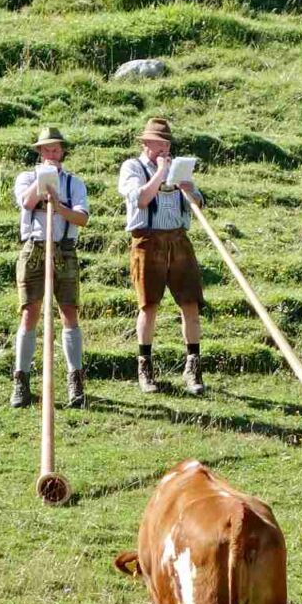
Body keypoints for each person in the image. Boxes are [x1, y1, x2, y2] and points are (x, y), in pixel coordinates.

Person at [118, 116, 206, 396]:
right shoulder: (133, 167)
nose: (163, 149)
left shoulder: (178, 167)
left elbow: (198, 203)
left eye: (166, 144)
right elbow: (141, 199)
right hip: (148, 241)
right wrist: (160, 172)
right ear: (145, 143)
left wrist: (190, 189)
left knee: (190, 303)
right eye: (158, 144)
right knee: (149, 305)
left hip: (178, 239)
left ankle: (193, 368)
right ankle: (145, 369)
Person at [12, 127, 88, 410]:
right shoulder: (26, 178)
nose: (52, 154)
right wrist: (43, 180)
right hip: (35, 249)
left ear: (62, 151)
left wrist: (59, 205)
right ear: (40, 152)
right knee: (30, 312)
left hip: (64, 249)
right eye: (47, 149)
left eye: (56, 149)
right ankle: (21, 381)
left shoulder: (74, 183)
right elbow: (26, 202)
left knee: (69, 312)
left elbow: (82, 219)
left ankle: (75, 381)